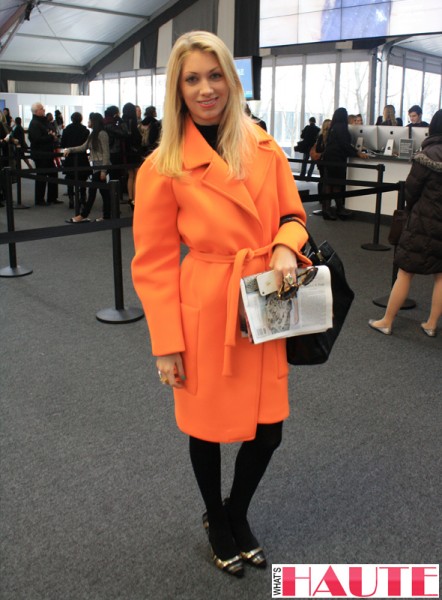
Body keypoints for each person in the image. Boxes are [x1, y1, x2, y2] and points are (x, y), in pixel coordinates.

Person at [131, 30, 309, 578]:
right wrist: (167, 344)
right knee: (205, 428)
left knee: (269, 428)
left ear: (231, 80)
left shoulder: (264, 147)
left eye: (215, 76)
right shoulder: (162, 166)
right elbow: (154, 263)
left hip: (264, 301)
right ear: (177, 89)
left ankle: (236, 511)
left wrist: (284, 247)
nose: (206, 89)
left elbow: (294, 216)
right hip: (206, 304)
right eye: (192, 79)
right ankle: (215, 515)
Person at [368, 109, 442, 338]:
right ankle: (431, 324)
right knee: (441, 275)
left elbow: (412, 189)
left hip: (423, 221)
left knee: (405, 271)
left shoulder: (428, 154)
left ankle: (387, 321)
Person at [321, 107, 368, 220]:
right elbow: (344, 144)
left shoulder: (334, 127)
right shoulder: (341, 127)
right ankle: (338, 209)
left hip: (330, 157)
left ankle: (329, 209)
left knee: (330, 184)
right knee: (336, 184)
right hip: (336, 158)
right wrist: (357, 153)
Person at [64, 112, 111, 223]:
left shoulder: (102, 134)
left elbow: (106, 153)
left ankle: (83, 215)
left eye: (89, 120)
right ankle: (107, 216)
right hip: (96, 166)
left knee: (92, 191)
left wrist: (104, 170)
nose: (88, 122)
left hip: (101, 167)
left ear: (94, 121)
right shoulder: (93, 134)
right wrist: (70, 149)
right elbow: (83, 147)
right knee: (104, 193)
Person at [27, 102, 60, 206]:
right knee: (41, 176)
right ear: (36, 111)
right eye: (42, 109)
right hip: (41, 154)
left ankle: (52, 197)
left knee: (53, 174)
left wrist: (52, 135)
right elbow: (36, 139)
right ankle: (39, 199)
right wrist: (50, 137)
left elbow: (51, 130)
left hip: (48, 153)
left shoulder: (43, 121)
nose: (44, 110)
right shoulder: (34, 123)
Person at [61, 112, 90, 209]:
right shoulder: (85, 130)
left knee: (70, 178)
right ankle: (83, 198)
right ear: (81, 119)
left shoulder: (67, 130)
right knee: (82, 178)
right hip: (82, 157)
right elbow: (86, 145)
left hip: (70, 156)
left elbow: (63, 144)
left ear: (71, 119)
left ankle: (71, 199)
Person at [120, 102, 142, 210]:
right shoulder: (133, 122)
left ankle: (130, 197)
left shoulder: (122, 122)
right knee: (137, 175)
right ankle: (136, 199)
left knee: (130, 176)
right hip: (135, 152)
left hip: (126, 152)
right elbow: (137, 138)